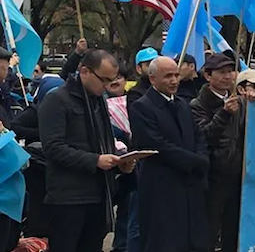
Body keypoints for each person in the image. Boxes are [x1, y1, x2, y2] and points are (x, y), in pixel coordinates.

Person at [38, 49, 135, 252]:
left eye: (113, 80)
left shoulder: (98, 100)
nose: (108, 86)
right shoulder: (57, 99)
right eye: (104, 80)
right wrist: (95, 160)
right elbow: (53, 147)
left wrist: (119, 163)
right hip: (68, 197)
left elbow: (104, 141)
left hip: (99, 193)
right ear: (84, 71)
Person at [128, 57, 209, 252]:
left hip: (190, 185)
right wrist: (194, 161)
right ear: (153, 79)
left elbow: (198, 135)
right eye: (168, 76)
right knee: (164, 241)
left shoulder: (182, 105)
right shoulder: (142, 107)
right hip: (162, 185)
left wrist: (202, 158)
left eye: (176, 75)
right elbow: (157, 145)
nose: (174, 81)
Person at [189, 52, 249, 252]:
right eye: (221, 72)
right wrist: (223, 114)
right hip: (213, 176)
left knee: (233, 231)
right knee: (208, 231)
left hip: (238, 176)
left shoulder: (239, 102)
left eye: (231, 71)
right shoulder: (198, 105)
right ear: (208, 76)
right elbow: (204, 137)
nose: (228, 76)